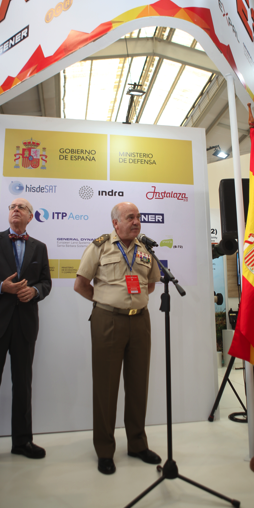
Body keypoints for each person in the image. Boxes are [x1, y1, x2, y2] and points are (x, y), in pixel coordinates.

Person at [74, 202, 162, 475]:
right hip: (107, 321)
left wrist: (131, 302)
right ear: (116, 223)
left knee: (138, 385)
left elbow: (151, 283)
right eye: (130, 217)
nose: (136, 222)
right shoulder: (100, 246)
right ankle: (104, 449)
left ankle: (137, 444)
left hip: (140, 320)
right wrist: (105, 303)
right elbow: (80, 284)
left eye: (138, 217)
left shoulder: (146, 249)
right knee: (106, 387)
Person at [0, 198, 52, 471]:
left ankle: (22, 442)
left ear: (30, 217)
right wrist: (2, 287)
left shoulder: (40, 247)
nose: (16, 210)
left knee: (22, 384)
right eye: (12, 207)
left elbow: (46, 282)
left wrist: (35, 291)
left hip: (24, 325)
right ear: (9, 215)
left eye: (22, 208)